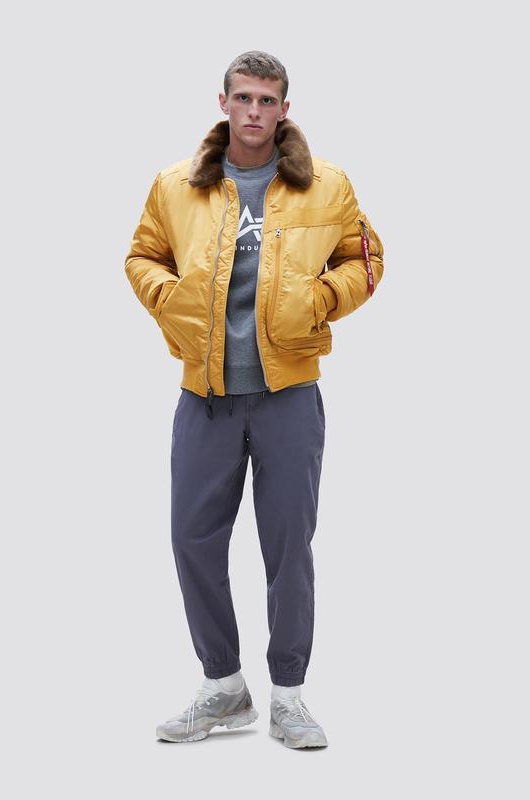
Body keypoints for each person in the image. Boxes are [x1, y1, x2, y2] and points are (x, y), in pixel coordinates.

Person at [124, 51, 384, 748]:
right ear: (223, 102)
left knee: (288, 547)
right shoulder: (175, 185)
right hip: (204, 396)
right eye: (243, 97)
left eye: (268, 100)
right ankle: (224, 687)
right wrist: (170, 300)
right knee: (191, 539)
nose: (254, 111)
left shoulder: (326, 185)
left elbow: (367, 259)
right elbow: (142, 255)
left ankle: (289, 697)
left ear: (284, 109)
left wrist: (321, 298)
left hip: (288, 395)